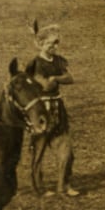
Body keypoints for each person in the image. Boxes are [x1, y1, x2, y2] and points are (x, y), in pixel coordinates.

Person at [27, 24, 80, 197]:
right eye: (51, 43)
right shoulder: (35, 63)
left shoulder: (57, 61)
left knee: (66, 149)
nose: (54, 47)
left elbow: (70, 78)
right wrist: (53, 80)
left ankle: (63, 185)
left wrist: (56, 77)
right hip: (41, 111)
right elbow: (45, 85)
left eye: (56, 43)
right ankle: (39, 188)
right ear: (41, 44)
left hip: (58, 109)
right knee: (39, 151)